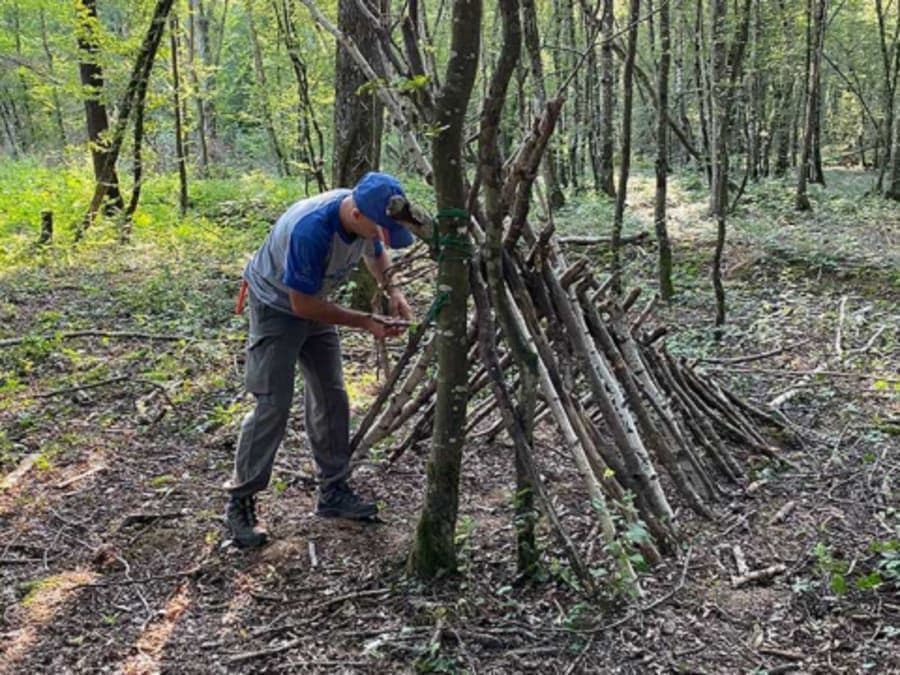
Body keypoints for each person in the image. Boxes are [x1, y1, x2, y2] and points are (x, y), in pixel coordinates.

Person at [224, 172, 416, 549]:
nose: (380, 235)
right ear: (358, 215)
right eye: (377, 227)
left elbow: (377, 250)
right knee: (272, 404)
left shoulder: (367, 219)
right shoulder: (311, 229)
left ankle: (332, 492)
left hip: (316, 302)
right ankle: (240, 500)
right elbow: (302, 304)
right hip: (278, 305)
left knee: (332, 395)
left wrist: (392, 289)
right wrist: (364, 321)